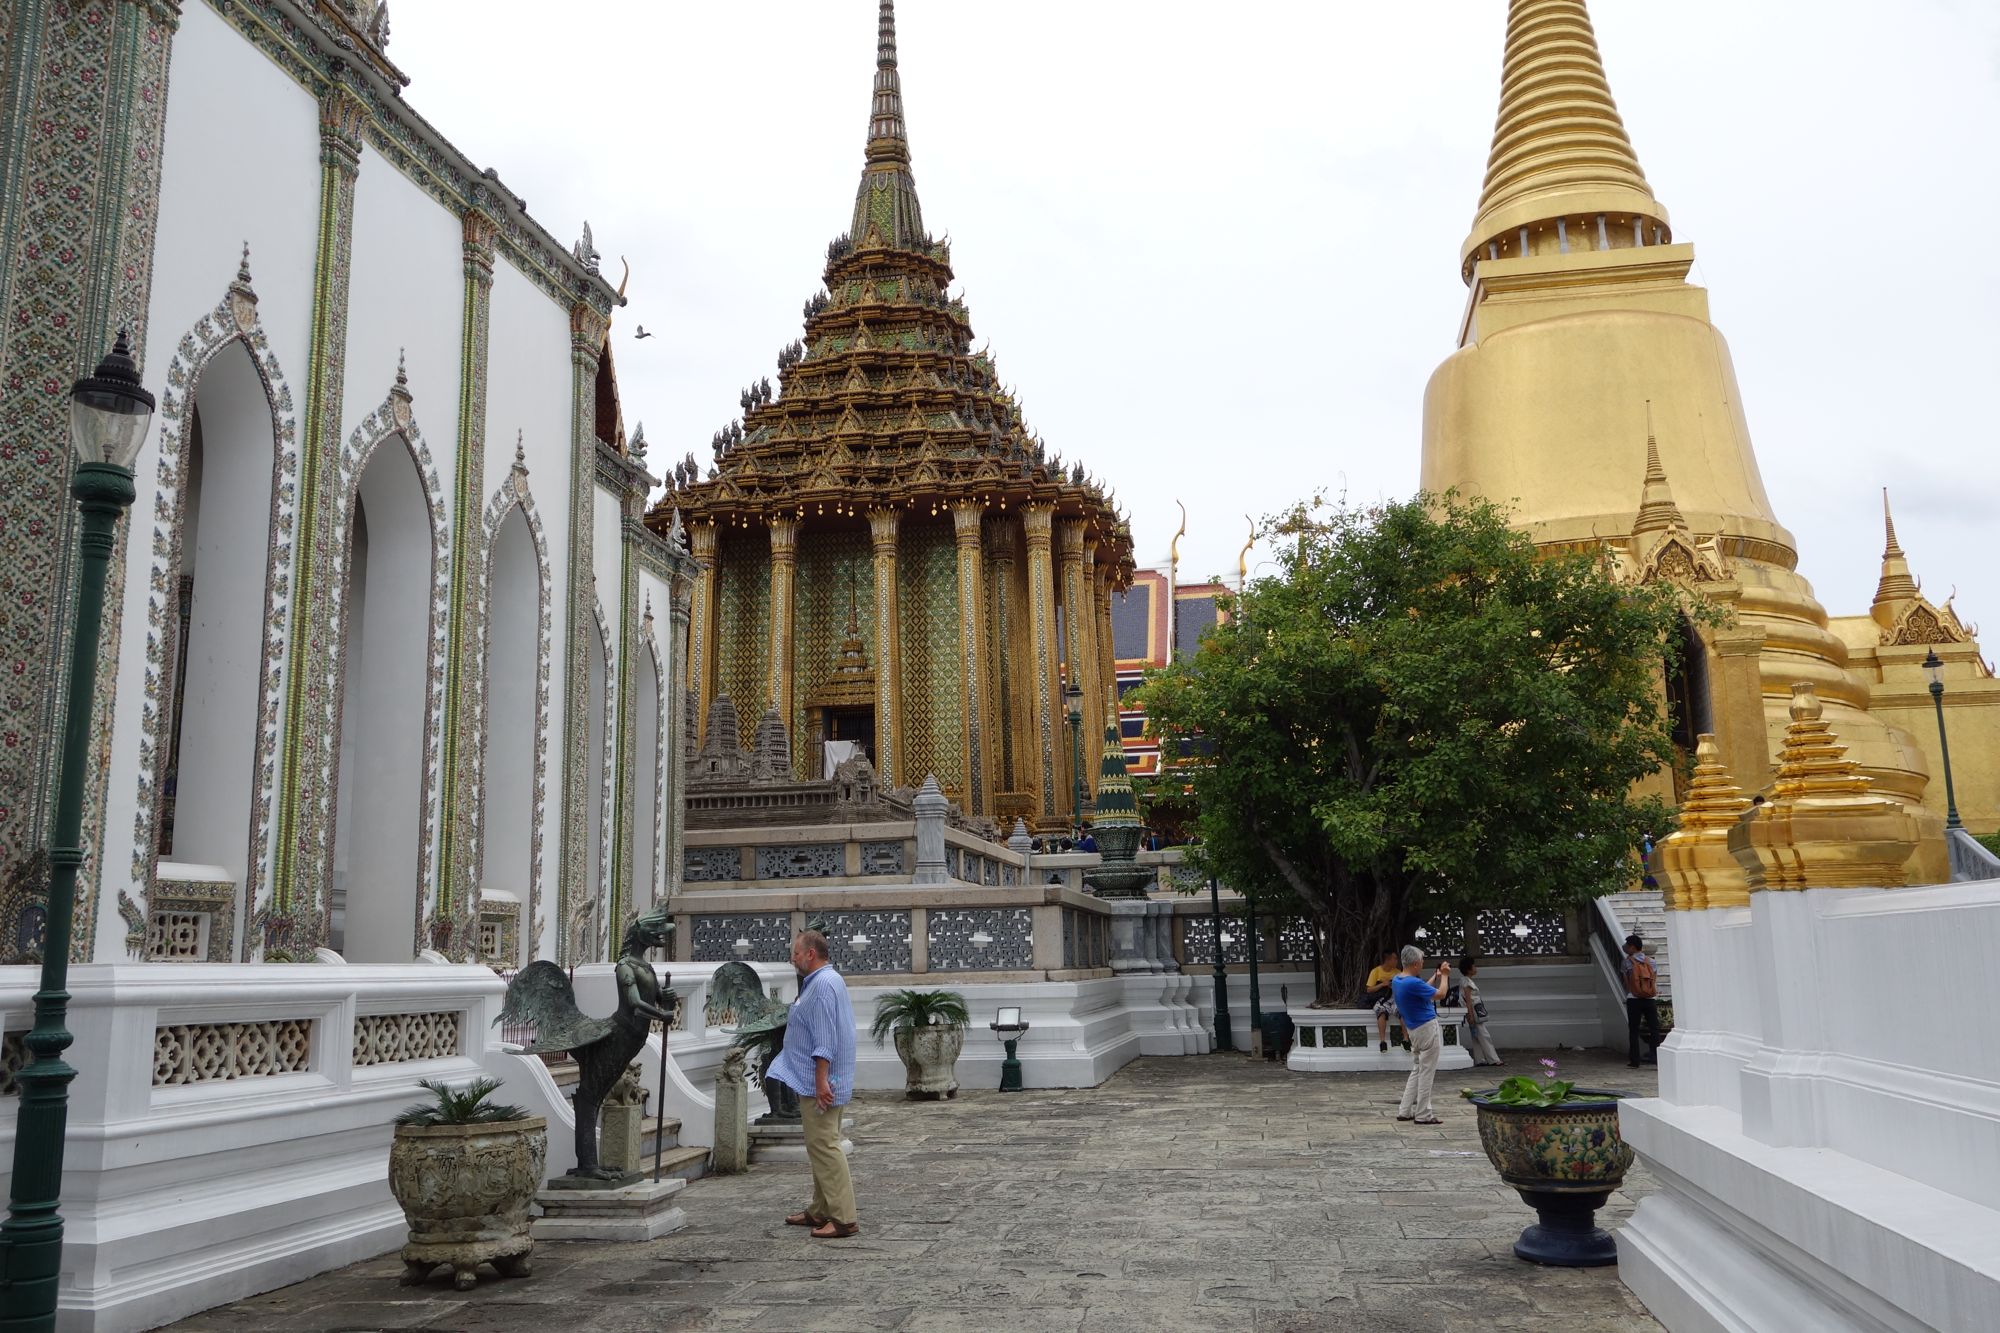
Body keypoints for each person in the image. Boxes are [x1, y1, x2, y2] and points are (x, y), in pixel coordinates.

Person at [768, 930, 860, 1238]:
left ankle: (844, 1218)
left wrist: (821, 1080)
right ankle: (821, 1210)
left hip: (821, 1081)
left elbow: (825, 1039)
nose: (792, 957)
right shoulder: (825, 982)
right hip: (824, 1078)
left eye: (796, 952)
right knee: (820, 1145)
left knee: (825, 1146)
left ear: (810, 954)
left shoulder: (821, 986)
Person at [1392, 946, 1450, 1125]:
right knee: (1426, 1072)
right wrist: (1446, 976)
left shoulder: (1398, 980)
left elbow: (1421, 989)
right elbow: (1440, 994)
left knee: (1417, 1069)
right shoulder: (1413, 983)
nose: (1423, 963)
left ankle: (1405, 1109)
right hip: (1426, 1028)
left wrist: (1435, 977)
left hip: (1414, 1029)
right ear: (1416, 964)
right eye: (1422, 960)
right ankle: (1423, 1113)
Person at [1621, 933, 1663, 1069]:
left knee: (1633, 1030)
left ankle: (1635, 1060)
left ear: (1632, 947)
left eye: (1627, 945)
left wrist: (1634, 990)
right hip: (1650, 999)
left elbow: (1627, 982)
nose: (1625, 948)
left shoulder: (1627, 962)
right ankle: (1656, 1057)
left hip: (1634, 999)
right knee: (1654, 1029)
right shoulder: (1651, 961)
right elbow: (1654, 980)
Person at [1457, 954, 1502, 1067]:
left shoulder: (1466, 980)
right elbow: (1468, 1000)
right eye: (1474, 966)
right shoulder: (1466, 982)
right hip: (1474, 1012)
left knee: (1476, 1036)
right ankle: (1493, 1059)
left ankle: (1480, 1059)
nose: (1476, 968)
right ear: (1468, 969)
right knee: (1484, 1035)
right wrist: (1470, 1015)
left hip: (1474, 1011)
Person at [1363, 949, 1400, 1052]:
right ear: (1387, 960)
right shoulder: (1376, 971)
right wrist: (1382, 984)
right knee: (1381, 1013)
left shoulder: (1398, 972)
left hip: (1393, 998)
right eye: (1395, 959)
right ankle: (1383, 1042)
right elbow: (1369, 989)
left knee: (1403, 1012)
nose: (1397, 961)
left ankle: (1406, 1040)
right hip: (1380, 999)